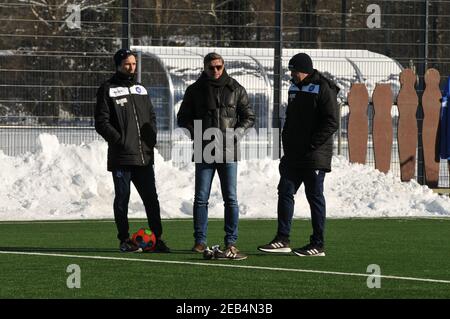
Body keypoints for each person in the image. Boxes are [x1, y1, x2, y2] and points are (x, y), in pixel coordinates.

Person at [258, 53, 339, 256]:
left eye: (294, 70)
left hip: (314, 155)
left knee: (314, 196)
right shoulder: (294, 87)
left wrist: (311, 144)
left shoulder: (323, 88)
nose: (291, 75)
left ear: (304, 70)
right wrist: (288, 141)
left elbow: (331, 121)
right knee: (285, 191)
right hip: (294, 155)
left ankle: (318, 243)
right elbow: (292, 118)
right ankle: (282, 239)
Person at [177, 52, 255, 260]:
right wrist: (196, 133)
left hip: (229, 149)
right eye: (211, 67)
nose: (215, 71)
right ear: (205, 67)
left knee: (231, 198)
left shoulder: (236, 88)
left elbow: (249, 116)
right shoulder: (195, 90)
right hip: (204, 149)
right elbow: (182, 118)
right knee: (201, 198)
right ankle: (200, 241)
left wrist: (236, 134)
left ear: (223, 66)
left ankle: (231, 242)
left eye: (219, 67)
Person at [95, 48, 170, 253]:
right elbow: (101, 122)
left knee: (151, 199)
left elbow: (151, 117)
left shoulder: (140, 89)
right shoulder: (107, 89)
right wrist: (120, 140)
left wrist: (150, 138)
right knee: (122, 199)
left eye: (134, 64)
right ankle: (124, 239)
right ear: (118, 65)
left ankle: (157, 238)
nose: (132, 67)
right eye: (128, 64)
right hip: (122, 156)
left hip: (144, 156)